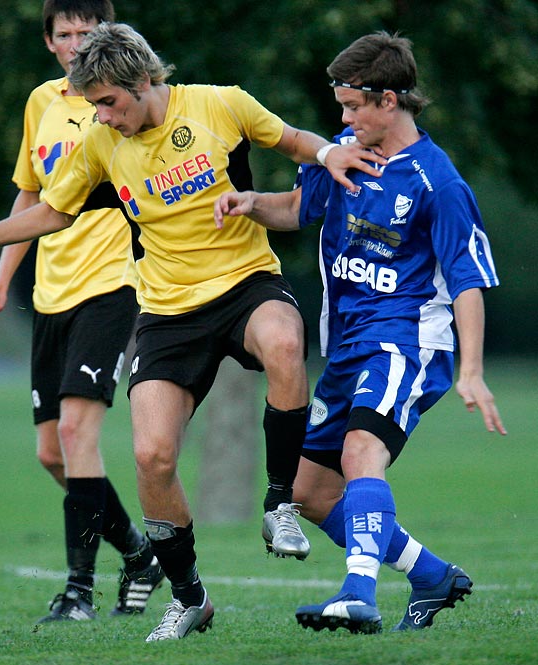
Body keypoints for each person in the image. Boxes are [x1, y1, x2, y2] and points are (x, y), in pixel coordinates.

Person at [0, 22, 387, 641]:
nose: (105, 118)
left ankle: (280, 504)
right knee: (151, 455)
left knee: (284, 340)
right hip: (167, 311)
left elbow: (294, 141)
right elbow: (54, 209)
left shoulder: (220, 103)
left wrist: (332, 153)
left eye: (110, 103)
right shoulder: (100, 144)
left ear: (144, 80)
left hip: (246, 281)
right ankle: (190, 597)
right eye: (94, 107)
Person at [214, 30, 506, 634]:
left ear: (389, 100)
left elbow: (469, 281)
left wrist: (472, 371)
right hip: (346, 344)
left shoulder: (437, 184)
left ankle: (357, 594)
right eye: (340, 106)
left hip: (407, 340)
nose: (341, 118)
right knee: (309, 492)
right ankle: (430, 574)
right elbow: (298, 210)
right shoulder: (343, 150)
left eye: (351, 105)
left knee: (360, 452)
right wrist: (250, 202)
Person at [0, 1, 163, 624]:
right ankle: (137, 552)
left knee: (81, 436)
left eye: (87, 32)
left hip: (111, 288)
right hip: (51, 293)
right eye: (65, 34)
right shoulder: (42, 103)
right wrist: (1, 278)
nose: (76, 43)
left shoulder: (127, 99)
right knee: (52, 453)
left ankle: (78, 591)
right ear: (49, 41)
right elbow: (35, 193)